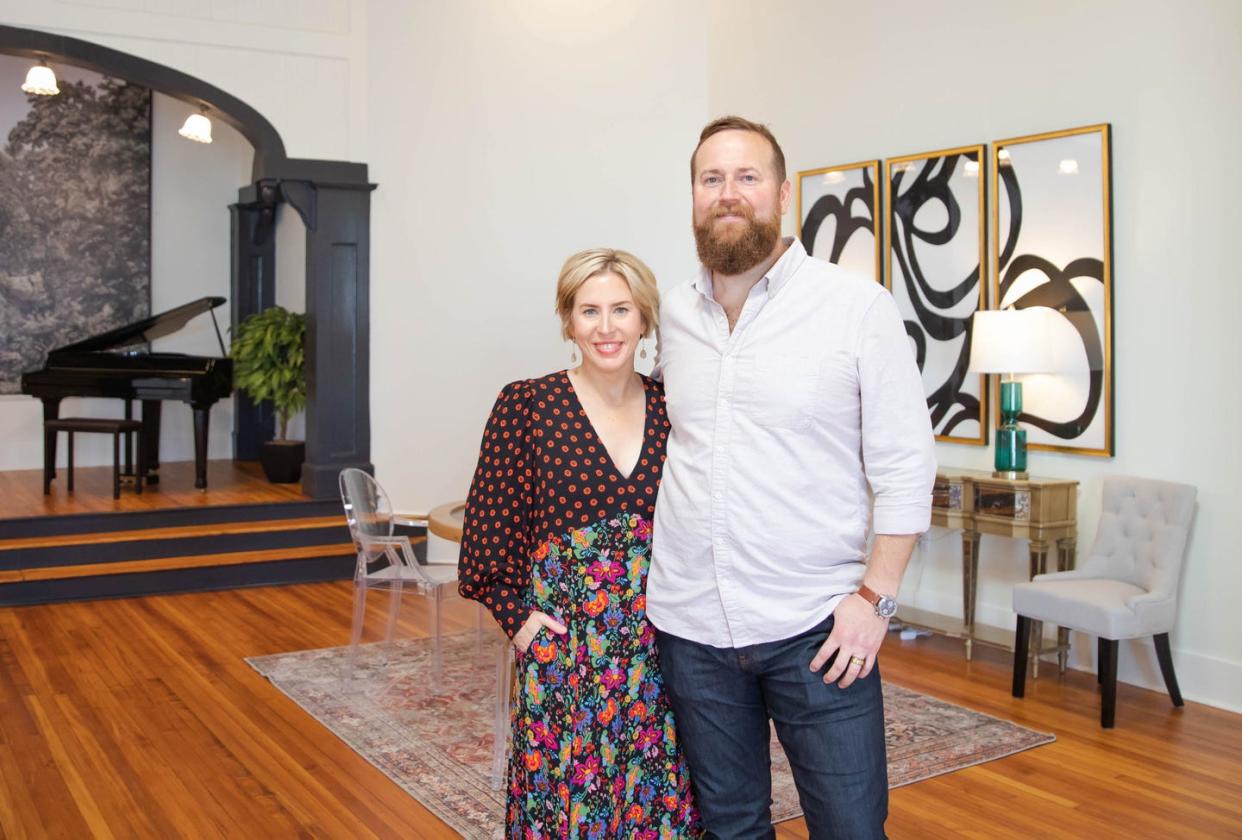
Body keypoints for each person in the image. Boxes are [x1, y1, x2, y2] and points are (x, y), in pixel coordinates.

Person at [647, 116, 937, 839]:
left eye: (747, 177)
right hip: (692, 627)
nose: (728, 193)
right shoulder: (672, 315)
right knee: (733, 826)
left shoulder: (855, 308)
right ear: (692, 195)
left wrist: (875, 600)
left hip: (817, 626)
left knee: (849, 827)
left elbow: (905, 466)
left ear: (783, 195)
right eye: (711, 179)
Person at [459, 248, 701, 838]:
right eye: (589, 311)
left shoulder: (676, 408)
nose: (606, 326)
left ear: (644, 319)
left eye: (621, 309)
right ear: (568, 322)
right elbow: (489, 532)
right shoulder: (528, 406)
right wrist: (520, 622)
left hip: (660, 648)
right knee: (565, 810)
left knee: (658, 802)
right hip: (564, 652)